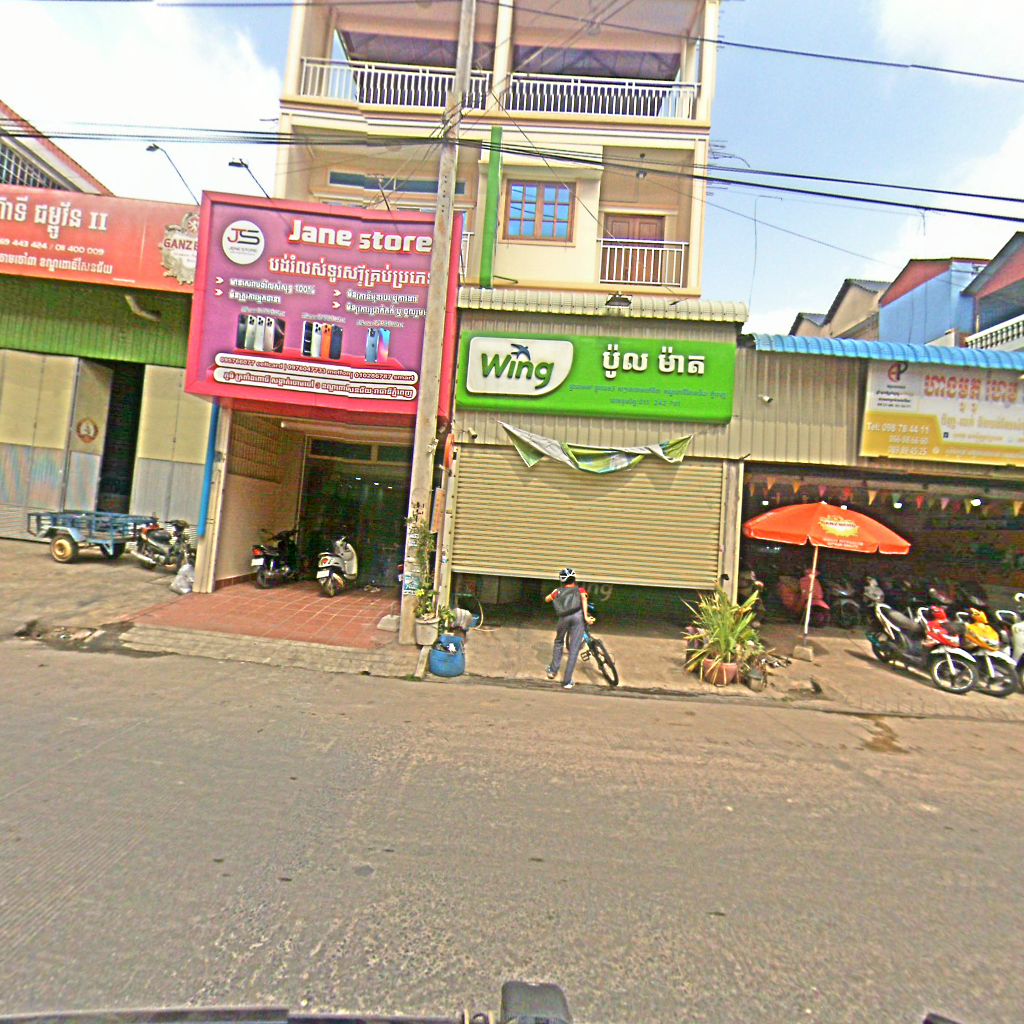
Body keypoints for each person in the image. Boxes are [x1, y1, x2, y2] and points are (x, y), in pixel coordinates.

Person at [544, 567, 594, 689]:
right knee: (574, 649)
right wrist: (586, 617)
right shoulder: (580, 590)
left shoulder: (558, 591)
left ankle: (552, 671)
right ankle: (567, 681)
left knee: (559, 641)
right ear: (574, 578)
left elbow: (547, 599)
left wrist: (554, 595)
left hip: (564, 618)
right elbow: (584, 599)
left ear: (562, 580)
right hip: (578, 617)